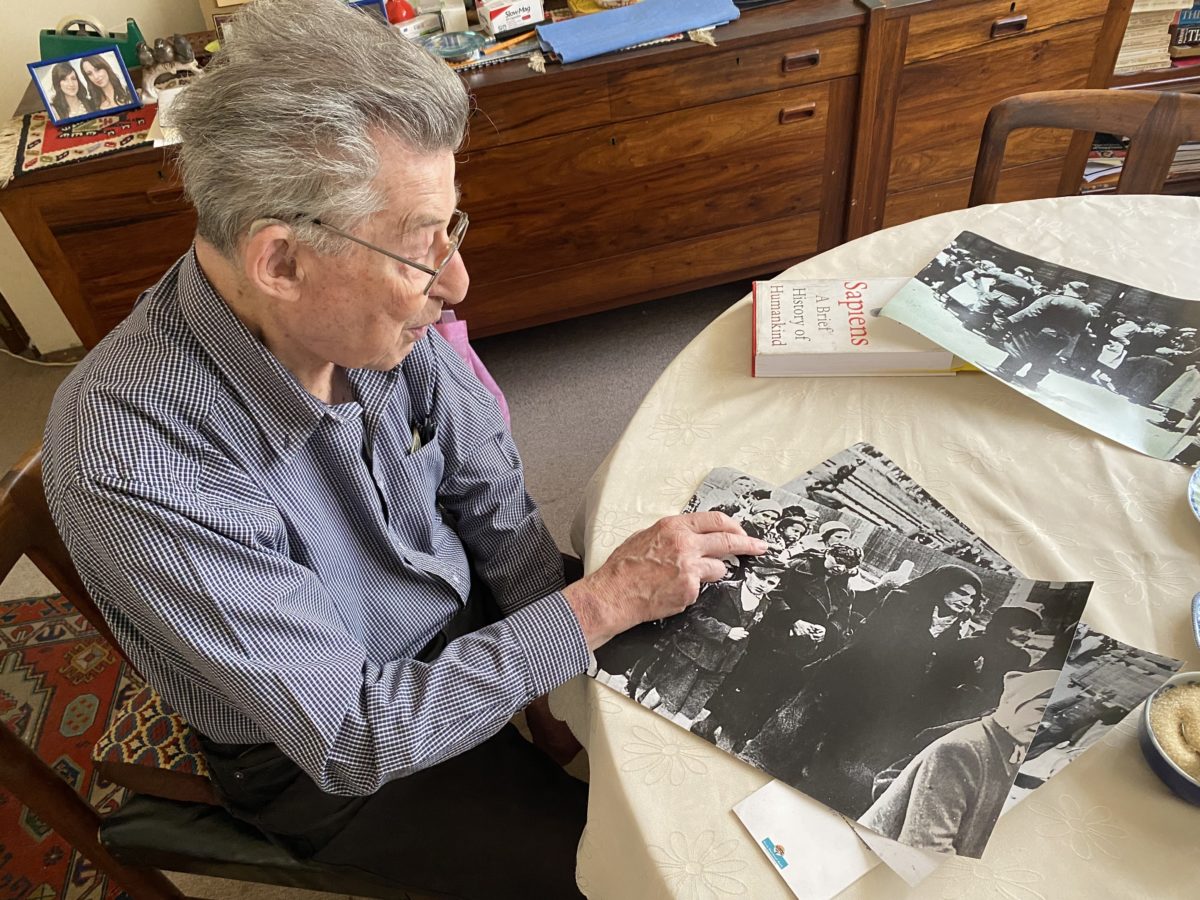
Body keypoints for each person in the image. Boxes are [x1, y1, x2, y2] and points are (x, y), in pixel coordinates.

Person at [40, 3, 768, 897]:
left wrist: (552, 676)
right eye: (420, 245)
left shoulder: (365, 310)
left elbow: (492, 499)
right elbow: (353, 736)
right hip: (325, 753)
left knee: (727, 699)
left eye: (449, 227)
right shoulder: (130, 454)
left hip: (456, 623)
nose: (455, 281)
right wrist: (592, 612)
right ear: (281, 263)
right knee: (616, 878)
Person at [742, 564, 986, 814]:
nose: (965, 601)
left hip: (882, 698)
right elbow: (882, 646)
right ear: (943, 586)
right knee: (796, 732)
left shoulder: (956, 626)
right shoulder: (903, 601)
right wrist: (929, 638)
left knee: (836, 754)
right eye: (960, 592)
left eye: (971, 597)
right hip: (849, 678)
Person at [859, 669, 1060, 858]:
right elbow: (925, 848)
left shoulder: (1009, 747)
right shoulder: (963, 750)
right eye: (1041, 709)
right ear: (1013, 704)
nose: (1046, 722)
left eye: (1054, 715)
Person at [691, 542, 863, 753]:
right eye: (838, 560)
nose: (840, 567)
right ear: (828, 553)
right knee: (746, 685)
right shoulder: (799, 567)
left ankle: (727, 733)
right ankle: (712, 727)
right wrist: (793, 620)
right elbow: (772, 593)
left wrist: (827, 631)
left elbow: (841, 619)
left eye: (846, 565)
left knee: (767, 694)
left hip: (802, 649)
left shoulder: (845, 590)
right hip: (773, 637)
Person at [636, 562, 784, 722]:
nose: (763, 585)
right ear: (748, 573)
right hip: (693, 654)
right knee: (665, 695)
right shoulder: (724, 589)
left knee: (688, 712)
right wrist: (725, 631)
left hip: (721, 666)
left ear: (777, 585)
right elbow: (696, 614)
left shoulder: (766, 604)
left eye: (771, 583)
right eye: (760, 577)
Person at [992, 281, 1099, 389]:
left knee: (1022, 349)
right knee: (1045, 358)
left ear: (1069, 288)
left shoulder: (1054, 299)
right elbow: (1079, 329)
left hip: (1039, 331)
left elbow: (1030, 312)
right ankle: (1031, 381)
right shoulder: (1087, 311)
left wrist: (1010, 320)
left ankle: (1006, 371)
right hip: (1062, 338)